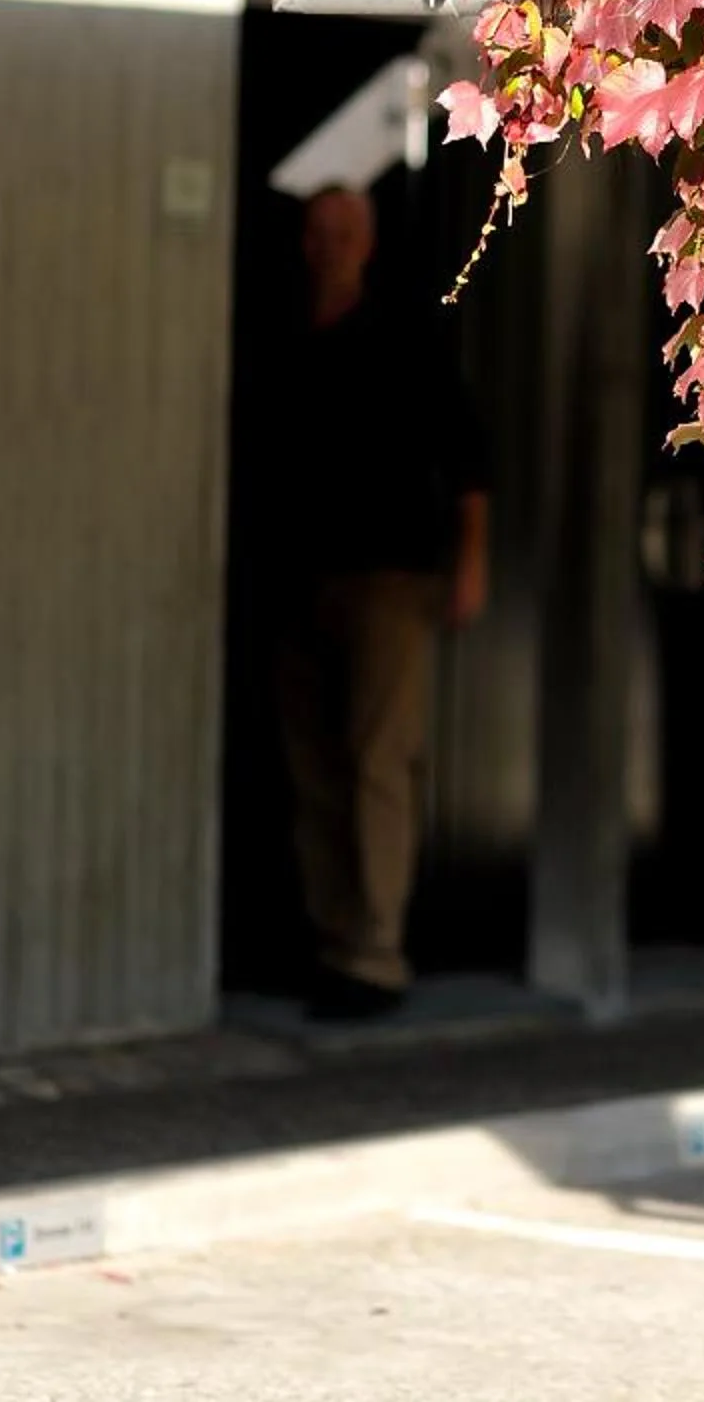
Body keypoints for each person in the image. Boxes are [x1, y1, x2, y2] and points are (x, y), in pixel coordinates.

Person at [277, 185, 491, 1019]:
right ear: (305, 242)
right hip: (301, 579)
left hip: (391, 582)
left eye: (345, 231)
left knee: (377, 763)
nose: (331, 244)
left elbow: (469, 461)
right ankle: (333, 942)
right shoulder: (289, 336)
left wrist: (469, 566)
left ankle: (375, 954)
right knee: (314, 765)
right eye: (319, 230)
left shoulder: (407, 335)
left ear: (367, 243)